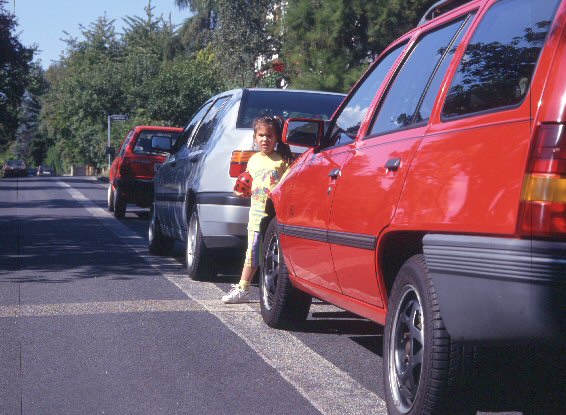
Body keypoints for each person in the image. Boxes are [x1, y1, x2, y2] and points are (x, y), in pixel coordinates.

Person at [222, 115, 293, 303]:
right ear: (255, 137)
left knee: (276, 255)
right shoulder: (253, 160)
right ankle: (242, 288)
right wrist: (241, 192)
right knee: (252, 253)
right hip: (256, 215)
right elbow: (247, 185)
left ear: (276, 138)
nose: (265, 139)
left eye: (269, 135)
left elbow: (287, 185)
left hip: (275, 216)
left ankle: (276, 291)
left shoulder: (282, 160)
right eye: (261, 135)